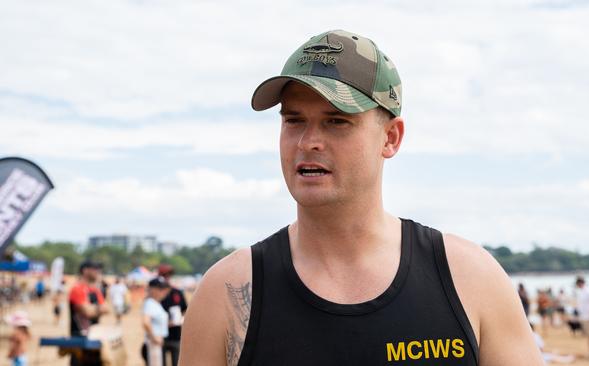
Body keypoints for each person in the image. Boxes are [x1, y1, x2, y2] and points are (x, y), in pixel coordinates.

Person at [180, 29, 543, 366]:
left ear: (391, 138)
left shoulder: (469, 278)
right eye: (294, 120)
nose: (308, 142)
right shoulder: (228, 294)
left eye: (336, 121)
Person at [68, 260, 109, 366]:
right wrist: (97, 309)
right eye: (95, 269)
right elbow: (87, 312)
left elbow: (106, 309)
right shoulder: (77, 289)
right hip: (79, 339)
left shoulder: (95, 290)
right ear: (85, 271)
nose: (98, 272)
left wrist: (92, 308)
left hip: (95, 338)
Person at [158, 264, 187, 366]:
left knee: (177, 362)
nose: (166, 278)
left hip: (176, 335)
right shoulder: (156, 295)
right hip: (160, 336)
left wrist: (180, 320)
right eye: (164, 275)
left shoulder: (178, 292)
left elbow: (185, 309)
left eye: (168, 275)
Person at [143, 277, 172, 366]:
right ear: (152, 289)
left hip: (158, 341)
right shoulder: (150, 303)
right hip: (154, 342)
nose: (163, 292)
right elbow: (145, 322)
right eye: (160, 289)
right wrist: (154, 337)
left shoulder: (156, 303)